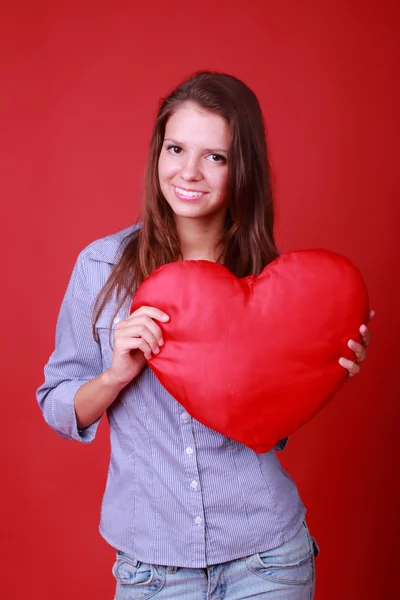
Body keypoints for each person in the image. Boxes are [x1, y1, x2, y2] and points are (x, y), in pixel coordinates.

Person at [36, 71, 373, 600]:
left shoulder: (277, 285)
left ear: (243, 169)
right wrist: (115, 375)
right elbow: (57, 404)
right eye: (176, 148)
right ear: (157, 154)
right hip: (152, 571)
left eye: (215, 156)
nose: (188, 171)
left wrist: (325, 363)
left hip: (267, 561)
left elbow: (270, 429)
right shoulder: (100, 268)